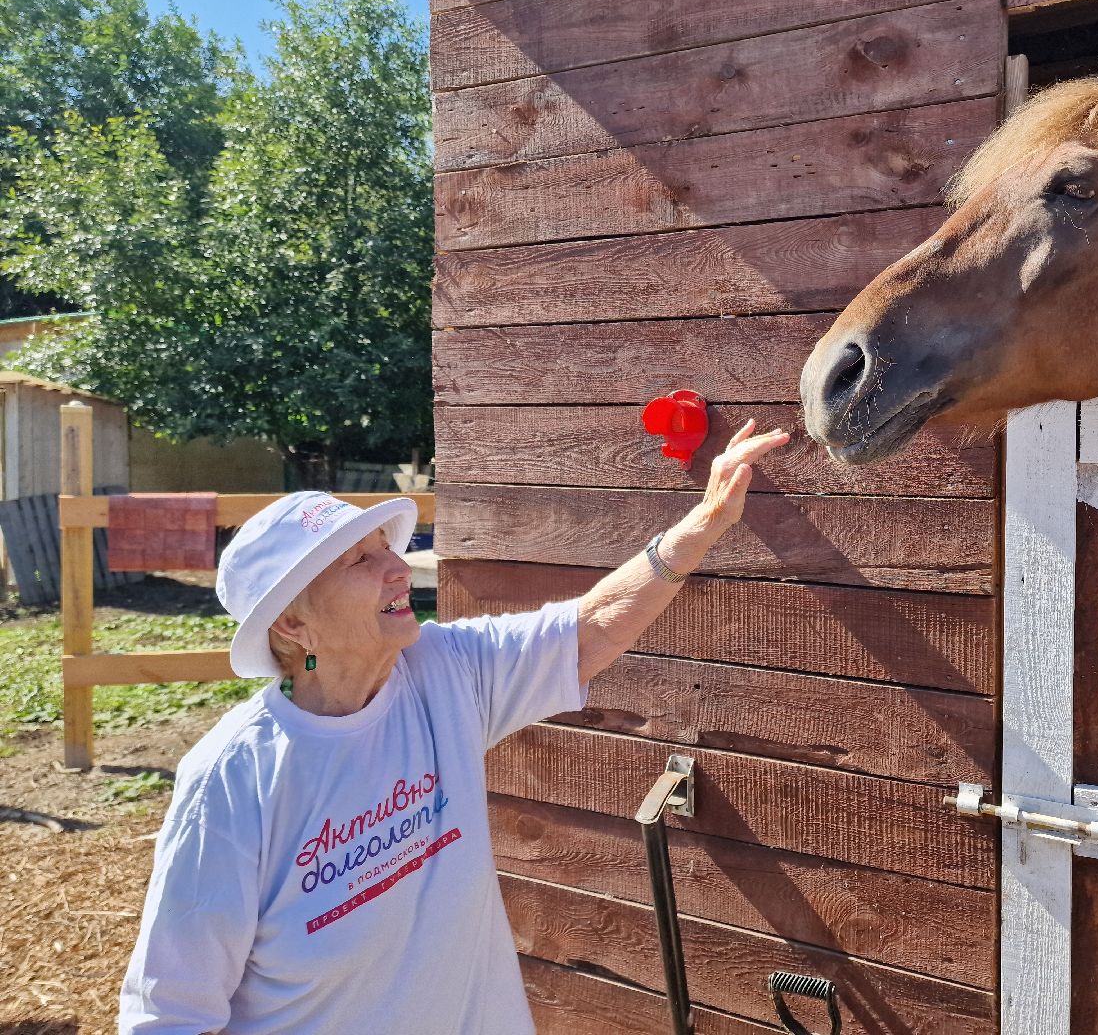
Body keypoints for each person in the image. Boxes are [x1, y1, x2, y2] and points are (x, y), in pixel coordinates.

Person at [118, 420, 789, 1034]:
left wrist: (704, 523)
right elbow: (169, 1011)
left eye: (386, 547)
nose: (397, 566)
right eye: (360, 560)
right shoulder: (234, 779)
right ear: (294, 625)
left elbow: (586, 632)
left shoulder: (441, 671)